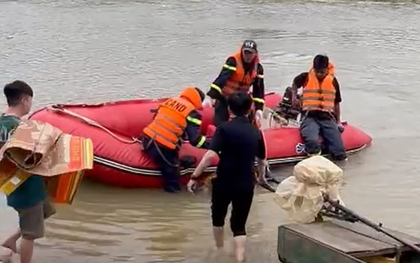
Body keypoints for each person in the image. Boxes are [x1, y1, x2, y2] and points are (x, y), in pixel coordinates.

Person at [187, 92, 267, 262]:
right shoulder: (256, 131)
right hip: (246, 183)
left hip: (224, 182)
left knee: (218, 218)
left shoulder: (223, 128)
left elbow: (209, 156)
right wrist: (260, 178)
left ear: (230, 109)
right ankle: (239, 259)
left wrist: (195, 176)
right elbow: (262, 160)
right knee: (239, 226)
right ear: (250, 108)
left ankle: (220, 252)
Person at [0, 80, 56, 263]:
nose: (31, 104)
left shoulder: (2, 123)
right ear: (24, 100)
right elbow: (33, 158)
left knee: (46, 211)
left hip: (12, 185)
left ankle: (10, 239)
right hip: (27, 187)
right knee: (30, 234)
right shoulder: (22, 128)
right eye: (30, 100)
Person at [141, 87, 210, 193]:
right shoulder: (192, 112)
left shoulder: (170, 101)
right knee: (173, 181)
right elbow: (195, 140)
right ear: (198, 101)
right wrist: (212, 144)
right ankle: (172, 198)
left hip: (146, 140)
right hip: (162, 149)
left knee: (182, 159)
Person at [290, 54, 347, 161]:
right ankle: (314, 162)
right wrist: (294, 97)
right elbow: (295, 83)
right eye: (317, 72)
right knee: (311, 142)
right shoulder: (305, 77)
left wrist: (338, 121)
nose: (319, 74)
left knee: (339, 150)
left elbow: (336, 103)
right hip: (309, 116)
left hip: (327, 117)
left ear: (327, 69)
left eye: (322, 72)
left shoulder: (333, 81)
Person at [206, 40, 265, 127]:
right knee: (220, 123)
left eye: (250, 53)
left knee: (249, 125)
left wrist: (259, 108)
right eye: (246, 52)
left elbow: (258, 89)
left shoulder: (258, 69)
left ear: (255, 53)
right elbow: (222, 78)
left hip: (241, 101)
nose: (247, 56)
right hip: (225, 98)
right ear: (242, 51)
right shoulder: (233, 62)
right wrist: (213, 95)